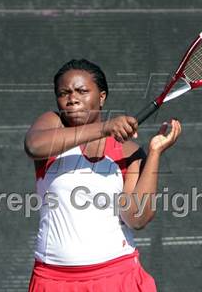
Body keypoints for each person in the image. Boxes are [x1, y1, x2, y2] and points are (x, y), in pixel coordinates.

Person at [24, 59, 181, 292]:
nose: (72, 98)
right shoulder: (52, 125)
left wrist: (155, 152)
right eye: (63, 93)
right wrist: (106, 127)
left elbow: (136, 217)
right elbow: (34, 146)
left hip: (118, 277)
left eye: (82, 91)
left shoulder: (128, 151)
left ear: (102, 97)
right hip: (53, 280)